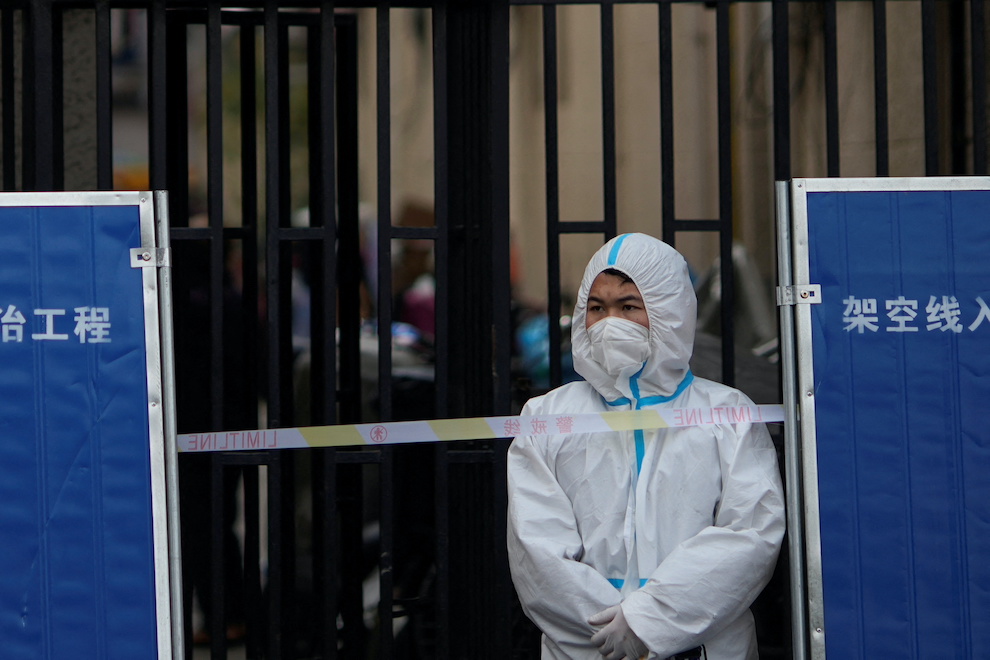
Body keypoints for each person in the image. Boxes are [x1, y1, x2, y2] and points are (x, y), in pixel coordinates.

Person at [506, 233, 785, 660]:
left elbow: (750, 534)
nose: (609, 322)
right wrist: (609, 631)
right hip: (585, 650)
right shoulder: (547, 417)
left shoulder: (728, 414)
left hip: (705, 648)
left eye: (628, 307)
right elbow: (538, 552)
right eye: (597, 308)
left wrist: (647, 623)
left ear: (669, 311)